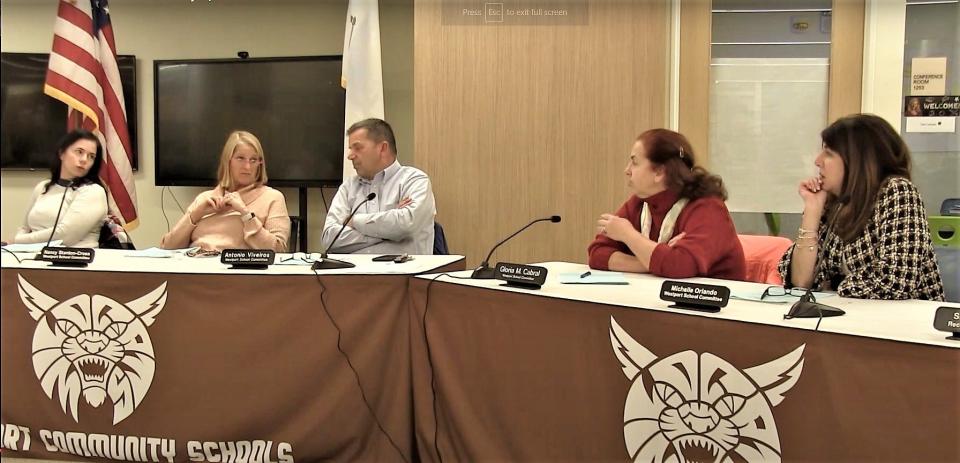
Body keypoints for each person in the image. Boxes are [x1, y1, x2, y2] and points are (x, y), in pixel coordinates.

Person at [778, 114, 944, 300]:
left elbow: (896, 281)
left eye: (829, 153)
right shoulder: (835, 203)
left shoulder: (898, 191)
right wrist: (812, 210)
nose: (818, 161)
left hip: (905, 323)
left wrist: (833, 286)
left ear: (857, 160)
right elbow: (800, 281)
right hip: (850, 318)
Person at [588, 129, 745, 279]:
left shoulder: (708, 208)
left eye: (635, 163)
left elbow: (678, 266)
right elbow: (597, 254)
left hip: (716, 302)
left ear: (659, 172)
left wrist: (627, 235)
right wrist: (651, 262)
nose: (627, 170)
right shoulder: (640, 202)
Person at [321, 118, 436, 255]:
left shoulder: (414, 180)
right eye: (350, 149)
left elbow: (406, 224)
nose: (350, 156)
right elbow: (329, 238)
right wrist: (388, 232)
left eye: (357, 148)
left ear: (382, 148)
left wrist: (354, 221)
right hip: (354, 274)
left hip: (403, 274)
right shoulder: (348, 187)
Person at [161, 130, 290, 252]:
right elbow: (167, 248)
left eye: (253, 160)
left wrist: (245, 214)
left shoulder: (272, 197)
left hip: (237, 271)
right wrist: (194, 215)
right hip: (196, 266)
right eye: (240, 158)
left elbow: (278, 250)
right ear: (228, 161)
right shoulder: (205, 198)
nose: (247, 166)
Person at [12, 130, 108, 248]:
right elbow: (25, 228)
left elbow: (65, 236)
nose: (84, 160)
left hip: (75, 260)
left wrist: (17, 241)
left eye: (91, 156)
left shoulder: (93, 191)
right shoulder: (43, 187)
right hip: (31, 257)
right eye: (79, 152)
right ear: (62, 153)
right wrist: (16, 247)